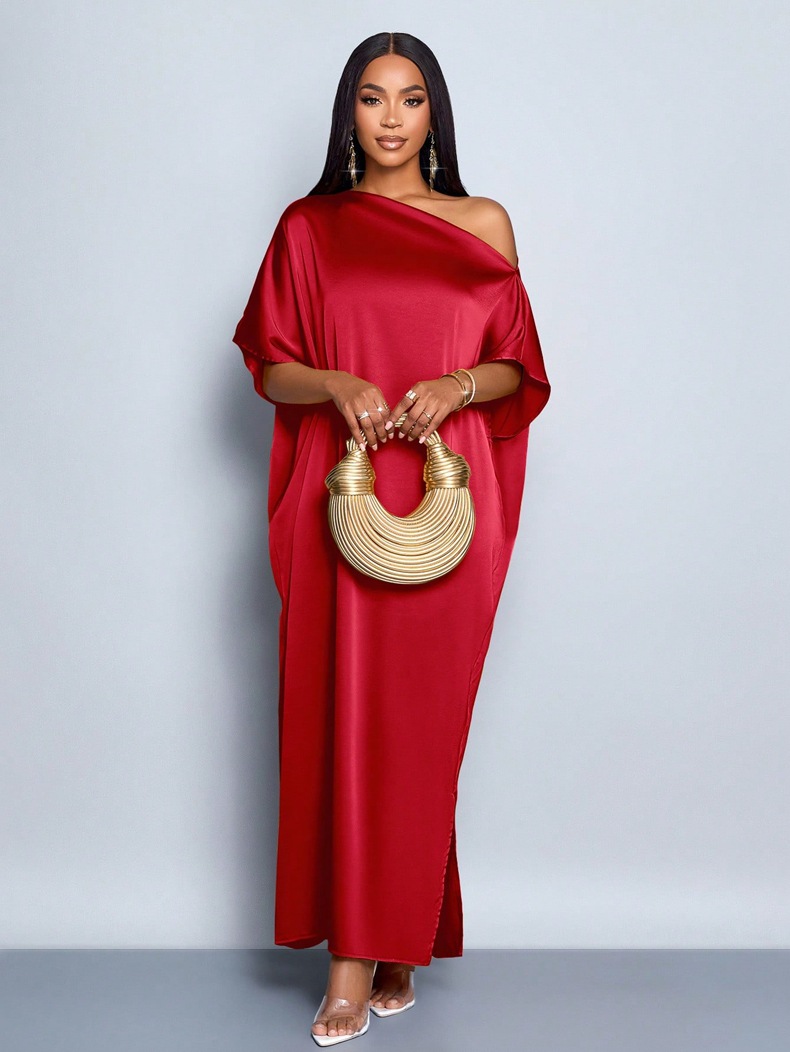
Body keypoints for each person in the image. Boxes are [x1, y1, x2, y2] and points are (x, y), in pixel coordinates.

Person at [232, 32, 551, 1046]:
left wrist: (458, 383)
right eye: (372, 98)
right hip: (342, 496)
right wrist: (335, 382)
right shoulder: (309, 227)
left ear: (434, 114)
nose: (392, 118)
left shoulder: (483, 220)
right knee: (346, 714)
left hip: (452, 500)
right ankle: (359, 955)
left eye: (411, 99)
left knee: (418, 722)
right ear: (349, 114)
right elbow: (270, 364)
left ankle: (390, 936)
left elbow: (517, 366)